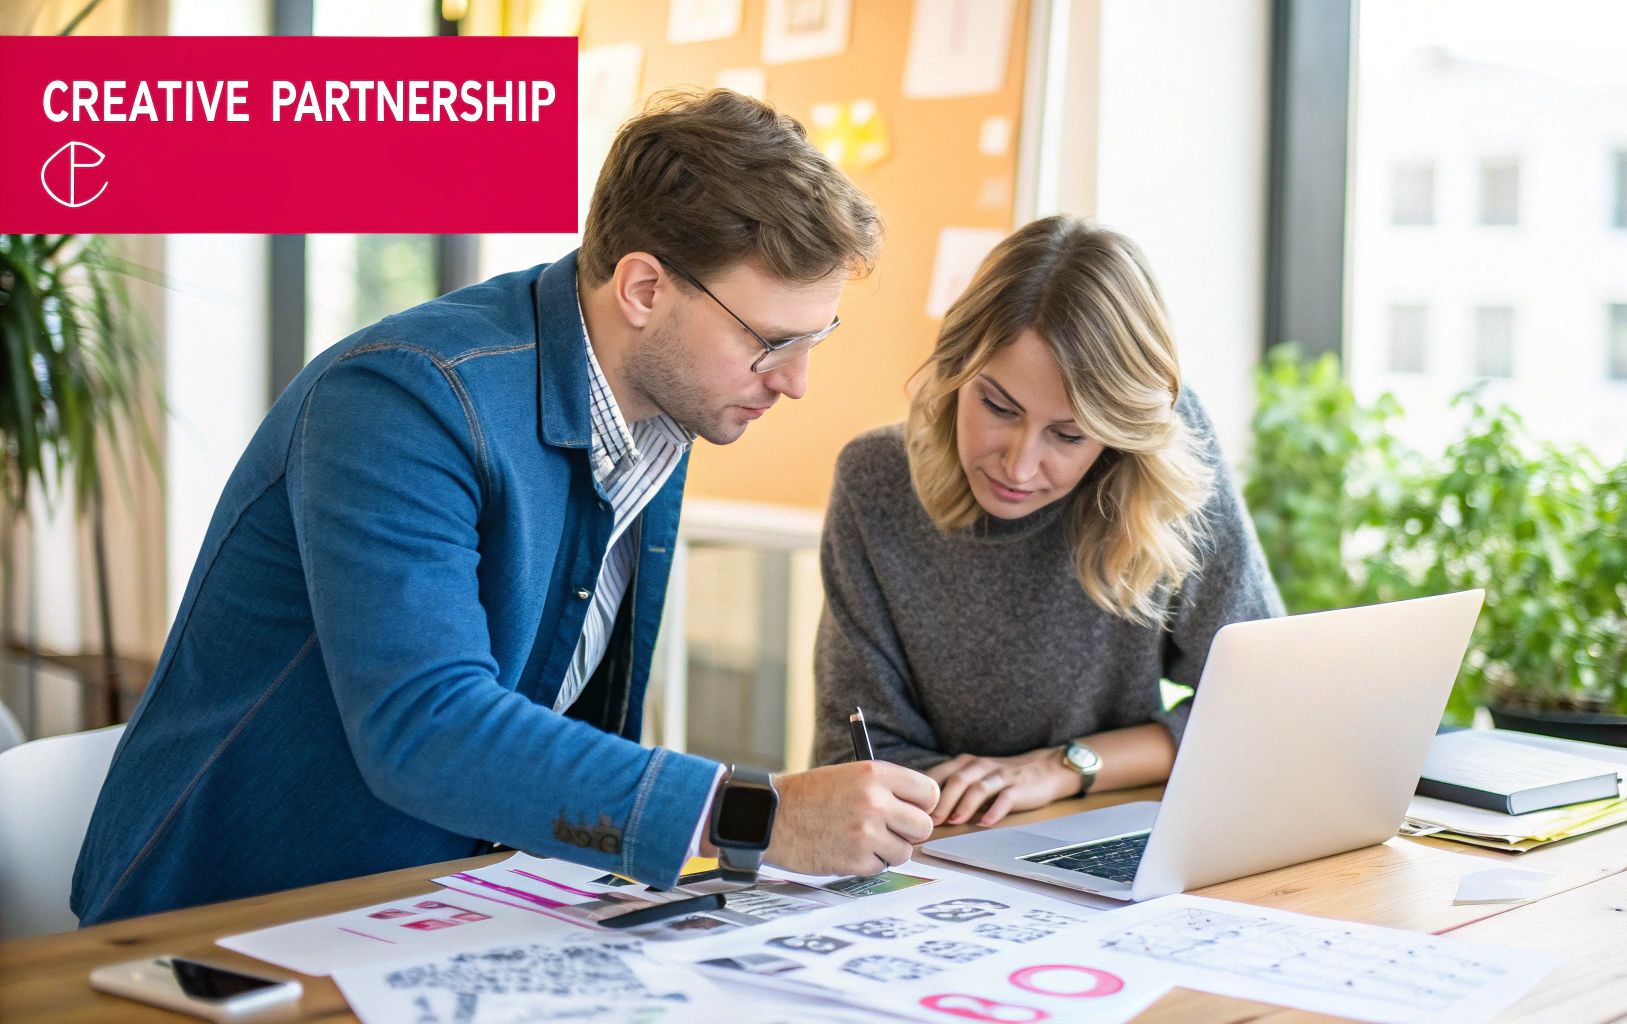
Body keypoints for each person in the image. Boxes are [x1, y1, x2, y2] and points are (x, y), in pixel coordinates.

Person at [74, 90, 939, 926]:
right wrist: (760, 815)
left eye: (813, 341)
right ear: (643, 289)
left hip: (434, 906)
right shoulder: (402, 398)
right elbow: (428, 726)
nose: (793, 382)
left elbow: (565, 709)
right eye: (772, 343)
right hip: (228, 919)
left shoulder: (663, 406)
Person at [813, 215, 1283, 827]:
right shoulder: (875, 482)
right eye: (998, 407)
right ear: (956, 372)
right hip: (943, 840)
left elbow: (1263, 705)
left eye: (1068, 434)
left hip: (1108, 822)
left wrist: (1061, 767)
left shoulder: (1164, 459)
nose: (1020, 463)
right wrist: (1004, 788)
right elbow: (853, 760)